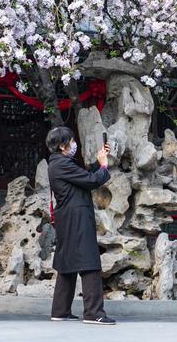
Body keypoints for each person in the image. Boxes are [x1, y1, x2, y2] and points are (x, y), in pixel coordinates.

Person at [46, 126, 115, 325]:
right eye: (71, 141)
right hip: (76, 217)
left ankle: (60, 310)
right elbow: (92, 181)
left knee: (67, 262)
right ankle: (94, 313)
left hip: (67, 217)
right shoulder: (63, 164)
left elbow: (82, 175)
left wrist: (97, 160)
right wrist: (103, 166)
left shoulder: (59, 162)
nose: (74, 144)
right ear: (61, 145)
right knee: (89, 261)